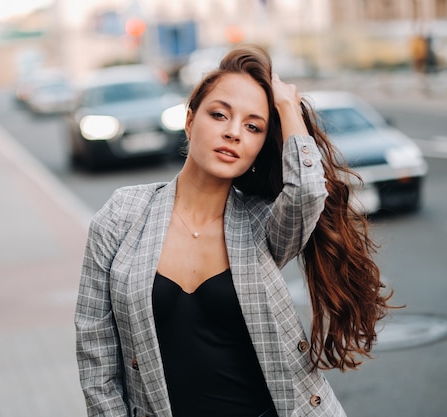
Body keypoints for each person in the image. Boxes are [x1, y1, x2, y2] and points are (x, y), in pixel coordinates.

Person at [74, 45, 393, 417]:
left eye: (253, 126)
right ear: (190, 121)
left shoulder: (263, 224)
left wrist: (288, 106)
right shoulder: (122, 215)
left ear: (260, 145)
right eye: (219, 114)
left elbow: (307, 191)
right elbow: (96, 365)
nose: (233, 133)